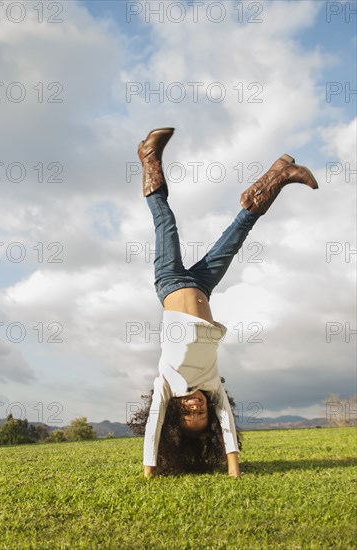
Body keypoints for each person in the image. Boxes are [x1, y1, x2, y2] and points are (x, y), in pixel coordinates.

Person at [136, 127, 319, 478]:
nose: (195, 407)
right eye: (200, 414)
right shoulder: (212, 385)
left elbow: (152, 430)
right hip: (203, 286)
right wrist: (234, 468)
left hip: (170, 281)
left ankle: (148, 156)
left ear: (176, 413)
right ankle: (279, 174)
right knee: (237, 235)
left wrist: (150, 472)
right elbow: (228, 424)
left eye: (188, 413)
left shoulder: (166, 384)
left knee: (166, 221)